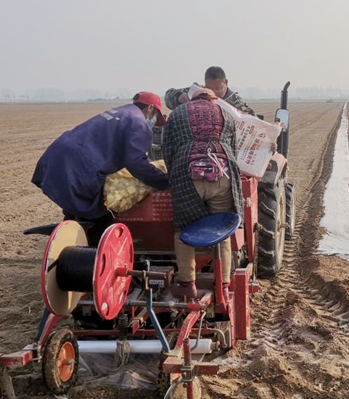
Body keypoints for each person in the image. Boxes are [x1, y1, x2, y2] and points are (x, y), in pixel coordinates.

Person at [32, 92, 170, 245]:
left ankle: (69, 243)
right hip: (78, 166)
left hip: (56, 156)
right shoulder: (138, 122)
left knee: (77, 211)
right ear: (151, 108)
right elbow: (136, 163)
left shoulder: (121, 112)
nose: (154, 121)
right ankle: (92, 256)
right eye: (156, 115)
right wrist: (164, 182)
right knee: (101, 218)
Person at [162, 87, 243, 299]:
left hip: (187, 175)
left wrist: (174, 176)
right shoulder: (225, 114)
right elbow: (232, 147)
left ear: (191, 99)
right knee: (223, 231)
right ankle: (224, 285)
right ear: (213, 99)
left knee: (184, 231)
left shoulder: (177, 114)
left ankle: (187, 284)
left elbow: (167, 149)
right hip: (222, 174)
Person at [165, 66, 255, 115]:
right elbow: (168, 97)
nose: (214, 93)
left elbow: (254, 123)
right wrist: (178, 97)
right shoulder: (199, 93)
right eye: (210, 88)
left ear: (226, 83)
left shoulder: (237, 103)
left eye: (218, 88)